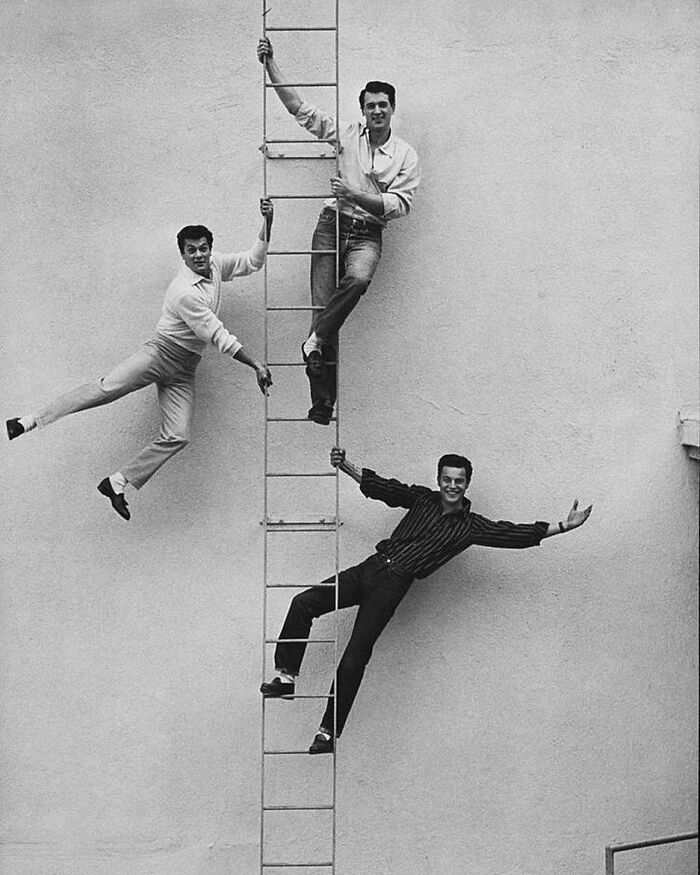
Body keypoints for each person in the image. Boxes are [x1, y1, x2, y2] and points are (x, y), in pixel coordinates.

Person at [261, 446, 593, 754]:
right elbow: (384, 489)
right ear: (438, 480)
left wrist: (564, 526)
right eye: (447, 479)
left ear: (466, 485)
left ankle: (326, 733)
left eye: (459, 481)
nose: (452, 485)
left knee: (353, 658)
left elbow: (513, 534)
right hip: (369, 568)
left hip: (391, 586)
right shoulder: (422, 499)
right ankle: (286, 677)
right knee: (304, 601)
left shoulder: (470, 527)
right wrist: (345, 465)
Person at [6, 200, 275, 521]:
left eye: (203, 248)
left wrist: (267, 222)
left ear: (209, 249)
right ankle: (30, 420)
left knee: (178, 435)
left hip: (184, 369)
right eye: (192, 251)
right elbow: (218, 335)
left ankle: (116, 483)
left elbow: (254, 261)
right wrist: (256, 364)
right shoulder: (183, 292)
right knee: (106, 389)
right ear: (183, 255)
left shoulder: (216, 265)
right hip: (160, 354)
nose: (200, 255)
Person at [257, 37, 421, 425]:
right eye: (370, 106)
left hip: (367, 232)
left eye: (383, 105)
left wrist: (355, 194)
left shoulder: (404, 155)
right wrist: (271, 65)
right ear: (362, 110)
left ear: (392, 109)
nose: (377, 111)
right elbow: (301, 110)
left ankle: (312, 343)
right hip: (332, 226)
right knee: (321, 309)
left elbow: (399, 206)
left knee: (359, 279)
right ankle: (323, 403)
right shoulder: (347, 134)